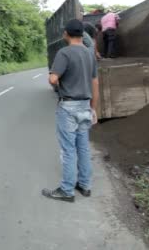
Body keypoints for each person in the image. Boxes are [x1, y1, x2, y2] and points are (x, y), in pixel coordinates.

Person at [43, 19, 99, 203]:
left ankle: (67, 190)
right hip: (85, 106)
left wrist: (58, 84)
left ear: (66, 33)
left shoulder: (64, 53)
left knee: (68, 150)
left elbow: (53, 79)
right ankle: (85, 185)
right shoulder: (90, 54)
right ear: (82, 34)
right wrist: (94, 108)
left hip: (68, 107)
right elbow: (95, 83)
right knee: (83, 147)